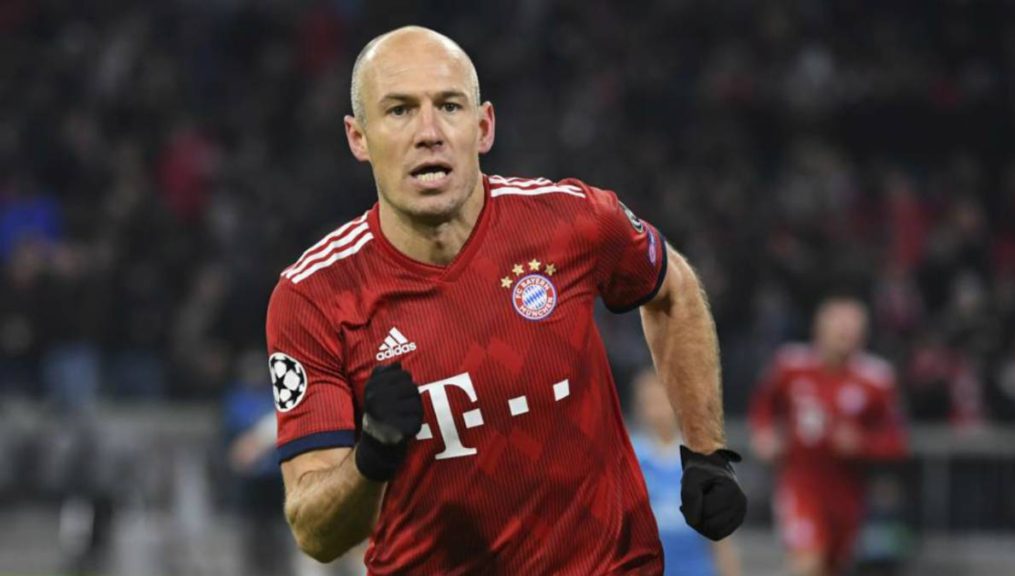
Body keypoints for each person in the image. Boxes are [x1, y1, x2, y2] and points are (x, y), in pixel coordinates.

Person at [265, 25, 746, 574]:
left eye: (449, 106)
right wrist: (371, 456)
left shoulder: (571, 221)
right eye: (399, 110)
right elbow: (314, 531)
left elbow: (672, 288)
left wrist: (707, 452)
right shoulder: (313, 298)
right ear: (358, 137)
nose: (429, 132)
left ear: (484, 126)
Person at [748, 296, 908, 576]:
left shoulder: (876, 379)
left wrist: (863, 444)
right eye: (839, 326)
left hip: (847, 491)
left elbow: (896, 441)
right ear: (819, 329)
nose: (846, 333)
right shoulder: (790, 365)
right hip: (800, 482)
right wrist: (764, 434)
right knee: (808, 563)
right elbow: (764, 405)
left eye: (853, 328)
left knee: (831, 567)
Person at [630, 368, 742, 576]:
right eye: (650, 403)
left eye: (663, 401)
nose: (658, 411)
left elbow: (722, 540)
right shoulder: (631, 460)